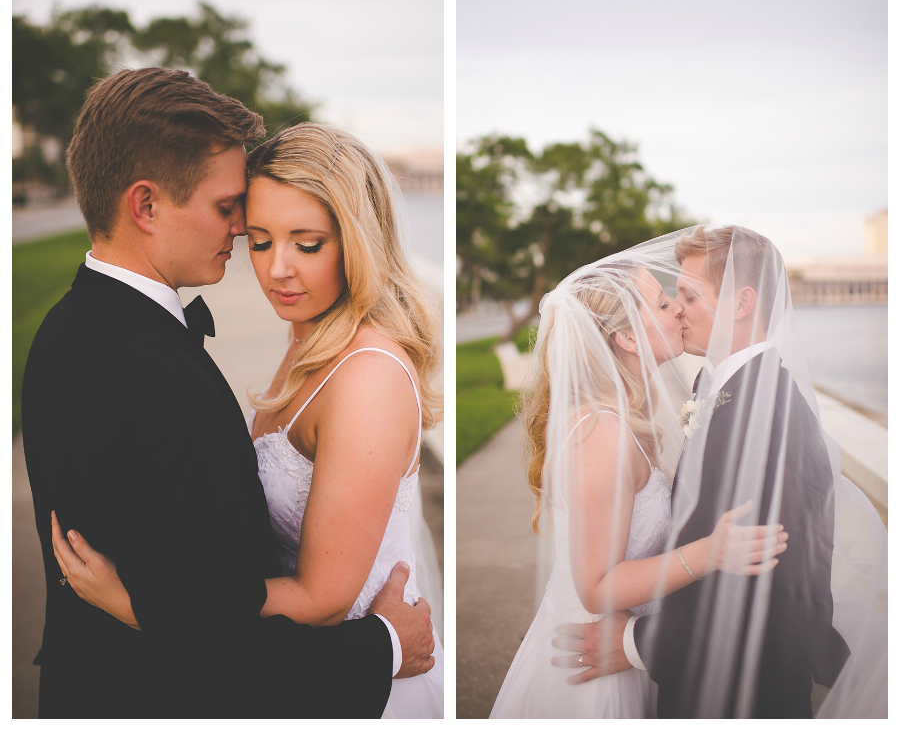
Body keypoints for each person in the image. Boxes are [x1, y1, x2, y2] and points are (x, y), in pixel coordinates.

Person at [23, 67, 439, 719]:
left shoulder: (65, 329)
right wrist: (382, 646)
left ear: (354, 241)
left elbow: (321, 594)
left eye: (306, 243)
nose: (271, 266)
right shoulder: (167, 370)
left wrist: (137, 603)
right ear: (146, 205)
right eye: (248, 227)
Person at [546, 225, 887, 718]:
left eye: (688, 295)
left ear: (741, 302)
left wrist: (638, 642)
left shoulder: (768, 418)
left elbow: (770, 596)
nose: (678, 308)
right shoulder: (721, 391)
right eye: (672, 297)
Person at [490, 259, 788, 718]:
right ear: (627, 338)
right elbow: (595, 588)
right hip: (595, 662)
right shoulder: (602, 433)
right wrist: (710, 553)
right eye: (665, 303)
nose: (679, 312)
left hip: (630, 649)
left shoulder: (628, 419)